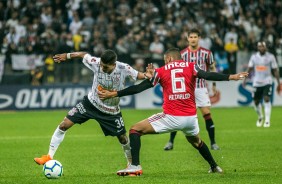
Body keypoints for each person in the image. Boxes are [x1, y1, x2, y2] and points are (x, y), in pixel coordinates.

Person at [98, 48, 248, 176]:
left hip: (171, 117)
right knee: (196, 141)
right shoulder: (191, 66)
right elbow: (208, 75)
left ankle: (135, 166)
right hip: (190, 118)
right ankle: (214, 166)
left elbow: (138, 88)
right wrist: (232, 76)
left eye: (165, 59)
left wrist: (114, 93)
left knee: (134, 130)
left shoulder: (161, 71)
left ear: (169, 58)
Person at [34, 50, 148, 167]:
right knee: (64, 125)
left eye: (105, 67)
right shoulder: (96, 63)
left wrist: (146, 75)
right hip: (90, 104)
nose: (102, 68)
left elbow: (137, 75)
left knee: (123, 138)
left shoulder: (124, 68)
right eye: (101, 65)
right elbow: (83, 54)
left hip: (110, 111)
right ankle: (48, 156)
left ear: (114, 64)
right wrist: (67, 56)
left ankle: (130, 164)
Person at [164, 28, 220, 151]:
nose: (193, 39)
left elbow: (212, 67)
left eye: (195, 37)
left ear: (199, 38)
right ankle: (170, 142)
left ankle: (213, 143)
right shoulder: (182, 54)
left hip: (200, 87)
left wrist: (214, 85)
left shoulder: (206, 53)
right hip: (186, 88)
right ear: (188, 38)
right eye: (191, 37)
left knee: (206, 113)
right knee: (178, 114)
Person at [243, 41, 281, 127]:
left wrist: (279, 83)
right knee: (256, 102)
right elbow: (249, 69)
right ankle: (260, 117)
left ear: (266, 47)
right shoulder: (254, 57)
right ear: (257, 48)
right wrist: (244, 79)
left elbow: (275, 70)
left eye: (263, 46)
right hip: (256, 82)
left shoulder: (271, 57)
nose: (262, 48)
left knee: (266, 99)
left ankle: (267, 120)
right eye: (260, 46)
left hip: (267, 81)